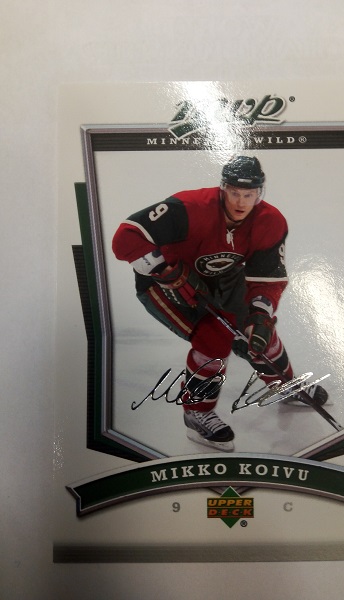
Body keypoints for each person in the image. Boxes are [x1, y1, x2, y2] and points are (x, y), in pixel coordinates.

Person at [112, 155, 325, 452]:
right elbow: (126, 236)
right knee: (213, 340)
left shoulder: (270, 221)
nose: (240, 202)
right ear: (223, 188)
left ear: (260, 192)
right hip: (166, 283)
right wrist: (164, 268)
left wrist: (260, 315)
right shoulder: (189, 208)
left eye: (249, 194)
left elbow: (266, 279)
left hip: (224, 280)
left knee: (259, 333)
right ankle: (196, 414)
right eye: (234, 193)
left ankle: (283, 385)